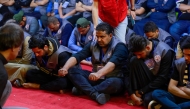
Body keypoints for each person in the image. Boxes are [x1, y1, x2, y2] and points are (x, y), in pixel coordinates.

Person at [58, 22, 129, 104]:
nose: (99, 39)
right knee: (72, 71)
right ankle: (95, 94)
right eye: (97, 36)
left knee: (114, 83)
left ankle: (83, 90)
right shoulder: (93, 44)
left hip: (113, 78)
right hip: (96, 78)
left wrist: (98, 74)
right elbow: (78, 56)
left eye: (102, 37)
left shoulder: (120, 46)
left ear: (110, 35)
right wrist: (65, 68)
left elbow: (112, 64)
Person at [127, 35, 174, 107]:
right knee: (134, 60)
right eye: (136, 54)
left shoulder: (165, 51)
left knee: (147, 100)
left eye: (140, 54)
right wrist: (132, 94)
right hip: (146, 80)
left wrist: (142, 91)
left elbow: (162, 78)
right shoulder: (136, 51)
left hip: (160, 84)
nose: (138, 56)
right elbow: (128, 73)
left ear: (147, 47)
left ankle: (141, 96)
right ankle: (136, 95)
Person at [149, 37, 190, 109]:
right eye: (184, 54)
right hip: (180, 96)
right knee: (156, 93)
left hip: (183, 95)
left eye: (189, 55)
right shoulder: (179, 64)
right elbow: (171, 88)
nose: (186, 58)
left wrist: (184, 89)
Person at [0, 23, 24, 108]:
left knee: (7, 85)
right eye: (20, 46)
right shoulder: (2, 74)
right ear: (14, 47)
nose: (19, 49)